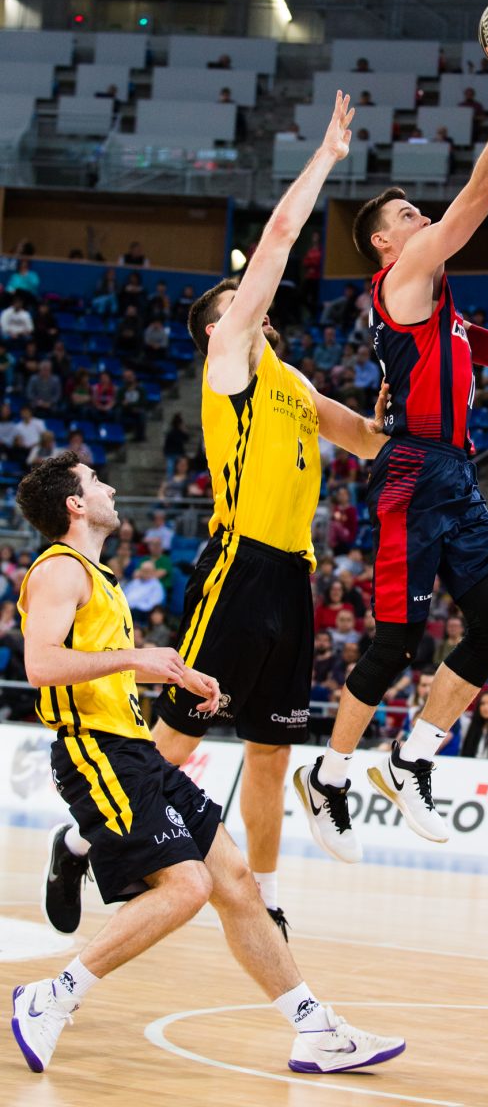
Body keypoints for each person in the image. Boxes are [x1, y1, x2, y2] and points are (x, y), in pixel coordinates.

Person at [40, 95, 388, 941]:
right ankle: (82, 837)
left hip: (295, 575)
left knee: (271, 751)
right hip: (239, 565)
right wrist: (326, 161)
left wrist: (408, 396)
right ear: (219, 329)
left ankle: (262, 890)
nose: (258, 308)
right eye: (240, 304)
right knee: (173, 739)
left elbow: (370, 441)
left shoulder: (296, 384)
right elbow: (274, 247)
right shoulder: (227, 365)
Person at [295, 25, 488, 862]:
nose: (421, 216)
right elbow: (479, 196)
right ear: (387, 247)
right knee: (396, 641)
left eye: (416, 211)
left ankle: (413, 757)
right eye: (407, 215)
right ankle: (328, 774)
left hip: (452, 471)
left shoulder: (447, 315)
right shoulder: (401, 280)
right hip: (410, 470)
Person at [12, 454, 405, 1075]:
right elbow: (40, 667)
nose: (110, 486)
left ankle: (316, 1031)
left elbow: (107, 668)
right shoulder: (58, 570)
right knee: (188, 886)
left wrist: (183, 674)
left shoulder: (98, 576)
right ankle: (49, 999)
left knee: (237, 883)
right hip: (95, 751)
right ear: (75, 505)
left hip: (134, 749)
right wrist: (138, 660)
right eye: (95, 482)